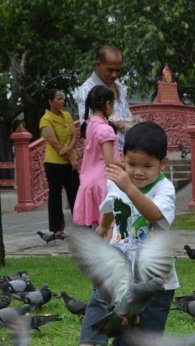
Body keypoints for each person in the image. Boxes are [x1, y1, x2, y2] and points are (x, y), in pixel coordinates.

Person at [61, 121, 179, 346]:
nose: (138, 172)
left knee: (149, 325)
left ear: (163, 163)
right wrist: (103, 226)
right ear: (123, 158)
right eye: (132, 163)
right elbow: (111, 205)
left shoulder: (165, 189)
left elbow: (154, 215)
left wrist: (129, 187)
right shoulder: (119, 181)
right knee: (98, 303)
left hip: (155, 275)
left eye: (147, 166)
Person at [72, 85, 119, 228]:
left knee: (100, 227)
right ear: (108, 104)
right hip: (104, 182)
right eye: (113, 104)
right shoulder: (105, 129)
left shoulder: (90, 124)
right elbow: (110, 161)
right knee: (110, 227)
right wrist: (128, 166)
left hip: (90, 180)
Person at [75, 45, 134, 155]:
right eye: (110, 70)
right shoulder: (87, 91)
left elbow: (128, 118)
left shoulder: (119, 86)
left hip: (128, 153)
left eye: (118, 70)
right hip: (106, 158)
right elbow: (89, 127)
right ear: (97, 64)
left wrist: (127, 123)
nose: (114, 75)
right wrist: (120, 124)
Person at [40, 88, 80, 238]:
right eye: (58, 98)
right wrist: (71, 158)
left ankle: (80, 224)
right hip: (54, 162)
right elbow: (55, 144)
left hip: (70, 160)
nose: (62, 101)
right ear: (50, 102)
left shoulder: (67, 115)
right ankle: (57, 228)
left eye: (63, 98)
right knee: (55, 195)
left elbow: (74, 136)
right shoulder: (46, 119)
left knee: (75, 192)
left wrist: (69, 150)